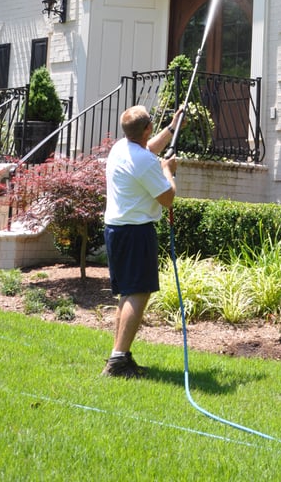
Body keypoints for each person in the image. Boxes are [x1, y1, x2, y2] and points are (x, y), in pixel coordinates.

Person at [101, 104, 181, 378]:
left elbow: (148, 150)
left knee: (127, 293)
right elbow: (167, 198)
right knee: (138, 293)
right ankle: (118, 362)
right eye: (152, 124)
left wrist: (171, 128)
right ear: (146, 128)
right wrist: (168, 170)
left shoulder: (120, 148)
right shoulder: (145, 161)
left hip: (116, 229)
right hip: (136, 232)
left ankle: (119, 355)